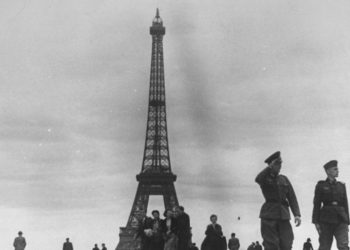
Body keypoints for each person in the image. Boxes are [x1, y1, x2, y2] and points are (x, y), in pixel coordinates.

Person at [255, 151, 301, 250]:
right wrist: (269, 168)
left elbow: (292, 197)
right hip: (269, 216)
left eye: (280, 164)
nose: (280, 166)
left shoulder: (284, 179)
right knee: (272, 245)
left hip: (283, 216)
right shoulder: (265, 179)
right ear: (271, 165)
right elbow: (258, 179)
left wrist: (297, 214)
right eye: (277, 164)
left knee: (287, 242)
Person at [312, 160, 349, 250]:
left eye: (337, 169)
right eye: (335, 169)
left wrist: (347, 221)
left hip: (341, 220)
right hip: (326, 220)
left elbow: (345, 204)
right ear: (328, 171)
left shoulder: (341, 186)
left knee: (343, 246)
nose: (338, 171)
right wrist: (316, 221)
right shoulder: (321, 185)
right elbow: (316, 204)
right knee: (324, 246)